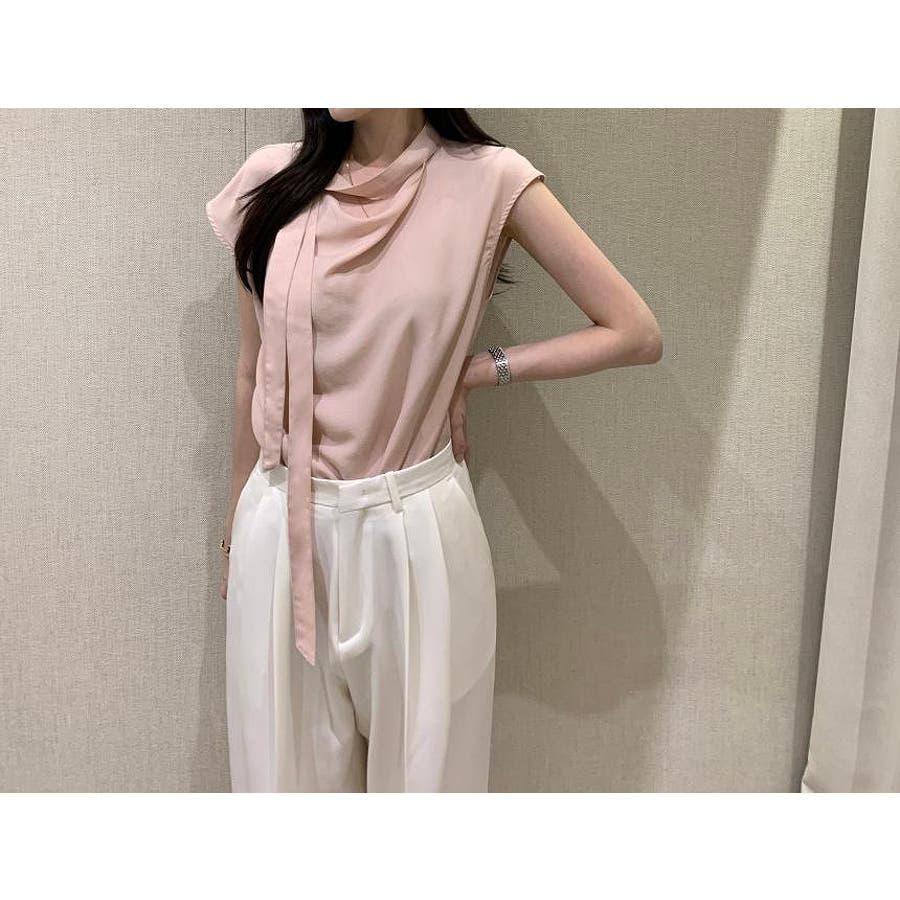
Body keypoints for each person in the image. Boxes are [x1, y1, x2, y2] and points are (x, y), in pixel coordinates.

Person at [205, 108, 663, 792]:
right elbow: (252, 368)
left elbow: (633, 330)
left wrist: (480, 369)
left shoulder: (489, 181)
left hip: (416, 528)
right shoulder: (270, 182)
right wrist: (236, 531)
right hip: (279, 529)